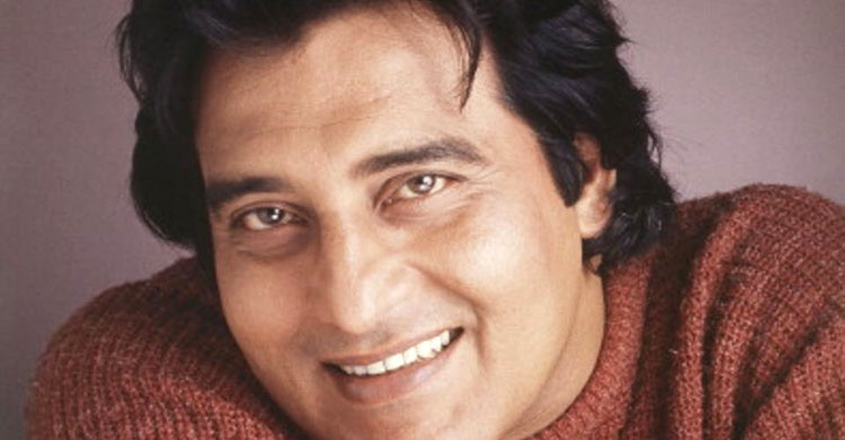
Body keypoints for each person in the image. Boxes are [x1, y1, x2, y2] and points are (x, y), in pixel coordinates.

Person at [27, 0, 844, 439]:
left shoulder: (769, 295)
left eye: (420, 184)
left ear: (589, 176)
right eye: (268, 214)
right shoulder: (146, 366)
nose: (352, 307)